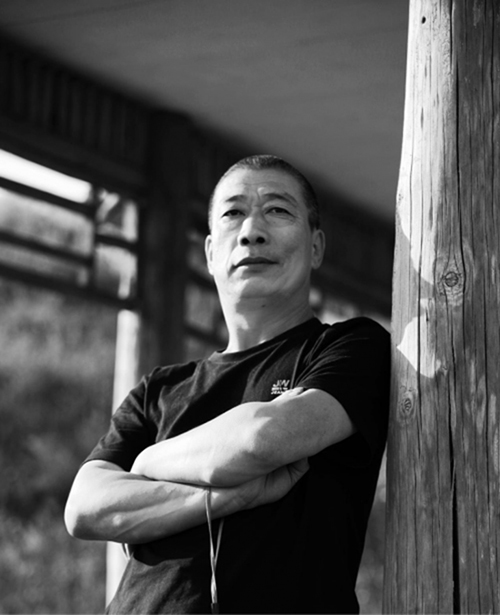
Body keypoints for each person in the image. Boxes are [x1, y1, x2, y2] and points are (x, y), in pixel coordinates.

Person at [64, 154, 390, 614]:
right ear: (210, 252)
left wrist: (146, 463)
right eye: (233, 212)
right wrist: (231, 495)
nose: (252, 231)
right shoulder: (160, 389)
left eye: (277, 210)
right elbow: (86, 508)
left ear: (316, 247)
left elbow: (262, 438)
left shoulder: (350, 347)